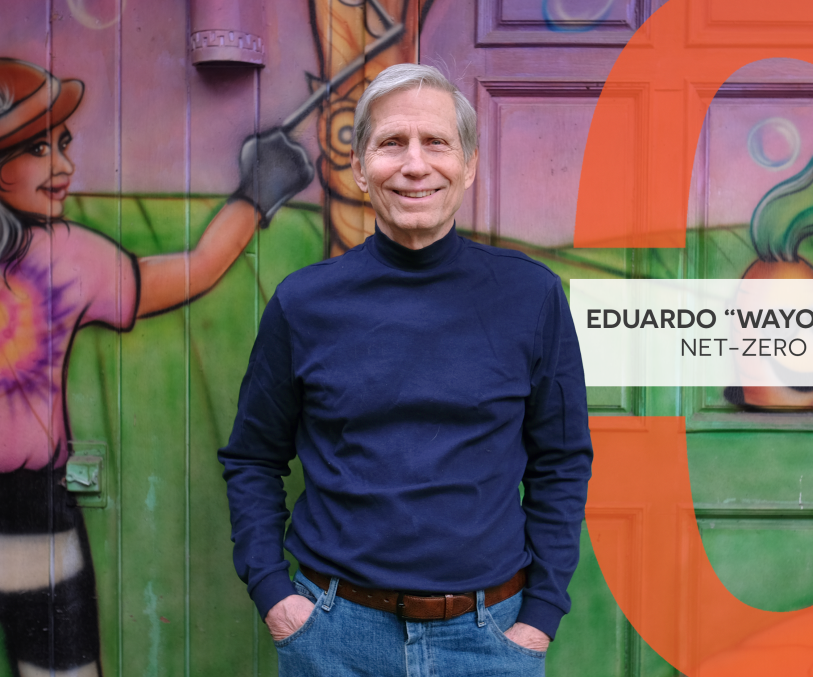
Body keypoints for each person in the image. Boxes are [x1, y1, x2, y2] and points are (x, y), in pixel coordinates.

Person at [219, 63, 593, 676]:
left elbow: (561, 461)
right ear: (360, 168)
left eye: (436, 143)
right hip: (334, 637)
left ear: (468, 165)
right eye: (392, 143)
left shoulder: (530, 297)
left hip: (491, 638)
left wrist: (540, 616)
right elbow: (254, 458)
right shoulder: (304, 303)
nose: (415, 165)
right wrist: (275, 597)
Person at [0, 57, 312, 676]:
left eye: (62, 141)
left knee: (58, 667)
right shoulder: (61, 253)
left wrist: (252, 197)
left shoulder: (67, 255)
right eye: (37, 147)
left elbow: (188, 270)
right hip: (32, 506)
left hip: (31, 506)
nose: (62, 164)